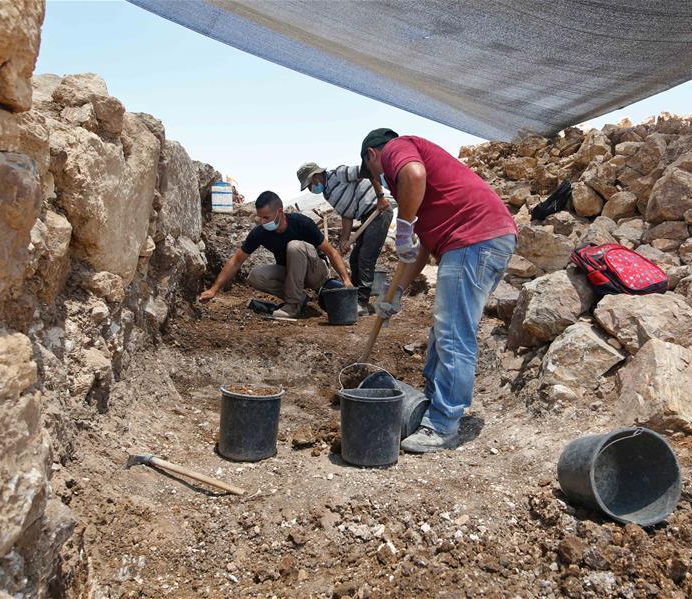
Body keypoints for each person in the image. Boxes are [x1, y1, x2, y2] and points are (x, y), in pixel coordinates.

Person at [359, 128, 518, 453]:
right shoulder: (431, 201)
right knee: (446, 329)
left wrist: (402, 229)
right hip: (479, 240)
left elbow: (413, 174)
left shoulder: (397, 149)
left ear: (372, 155)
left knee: (454, 333)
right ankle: (433, 404)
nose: (383, 181)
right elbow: (424, 246)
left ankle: (443, 425)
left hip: (475, 239)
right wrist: (397, 291)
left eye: (374, 172)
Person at [199, 191, 352, 318]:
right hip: (291, 274)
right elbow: (236, 261)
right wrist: (214, 289)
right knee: (255, 276)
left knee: (294, 246)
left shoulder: (302, 223)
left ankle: (292, 305)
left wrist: (346, 280)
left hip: (315, 273)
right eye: (260, 217)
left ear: (280, 211)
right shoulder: (261, 233)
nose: (262, 221)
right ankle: (299, 299)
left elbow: (331, 252)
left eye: (266, 217)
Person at [297, 161, 393, 314]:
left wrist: (380, 197)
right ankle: (353, 298)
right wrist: (344, 239)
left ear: (315, 177)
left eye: (309, 185)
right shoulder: (328, 193)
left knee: (365, 258)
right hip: (365, 218)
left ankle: (361, 302)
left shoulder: (339, 174)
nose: (310, 189)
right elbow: (346, 215)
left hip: (379, 212)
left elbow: (368, 170)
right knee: (355, 258)